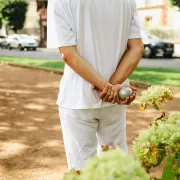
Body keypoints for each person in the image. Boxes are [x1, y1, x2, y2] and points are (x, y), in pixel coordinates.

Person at [47, 0, 144, 172]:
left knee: (81, 168)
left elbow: (68, 53)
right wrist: (112, 87)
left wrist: (104, 87)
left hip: (77, 97)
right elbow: (136, 48)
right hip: (116, 97)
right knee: (117, 165)